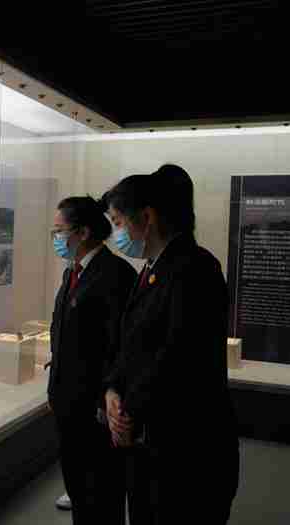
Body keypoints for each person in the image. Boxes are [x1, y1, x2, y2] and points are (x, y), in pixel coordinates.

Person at [103, 165, 240, 525]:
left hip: (187, 453)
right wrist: (113, 389)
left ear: (147, 218)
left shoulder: (195, 268)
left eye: (118, 222)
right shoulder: (152, 268)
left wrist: (128, 411)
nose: (116, 233)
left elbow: (176, 356)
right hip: (151, 447)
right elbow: (131, 343)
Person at [47, 196, 137, 525]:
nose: (56, 238)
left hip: (96, 411)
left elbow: (119, 347)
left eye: (59, 231)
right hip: (70, 405)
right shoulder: (73, 272)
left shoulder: (115, 274)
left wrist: (106, 399)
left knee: (101, 494)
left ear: (83, 232)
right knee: (79, 489)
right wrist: (55, 386)